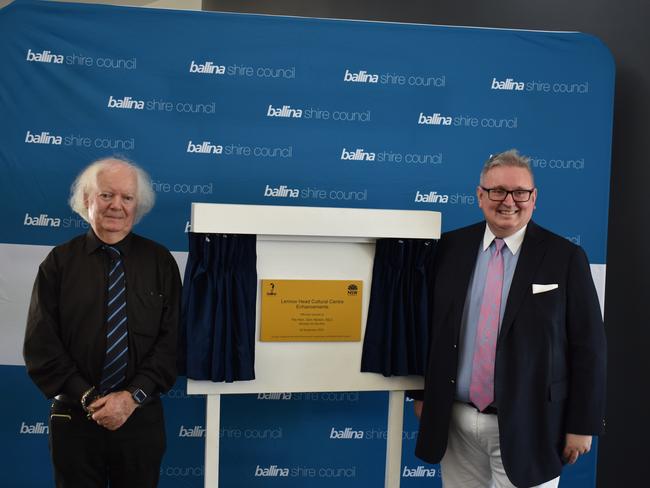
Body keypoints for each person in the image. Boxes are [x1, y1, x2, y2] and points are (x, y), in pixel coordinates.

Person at [412, 150, 606, 487]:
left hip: (532, 424)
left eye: (520, 193)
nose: (509, 201)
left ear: (534, 198)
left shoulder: (565, 257)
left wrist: (582, 424)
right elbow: (427, 328)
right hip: (455, 422)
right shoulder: (449, 249)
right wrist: (421, 393)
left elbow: (589, 347)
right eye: (497, 191)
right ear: (480, 196)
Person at [23, 157, 181, 488]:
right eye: (106, 195)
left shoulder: (161, 263)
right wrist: (89, 398)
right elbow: (42, 345)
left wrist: (130, 397)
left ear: (138, 206)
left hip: (139, 416)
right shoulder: (58, 263)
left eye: (127, 197)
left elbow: (172, 342)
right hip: (75, 419)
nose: (116, 206)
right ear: (86, 200)